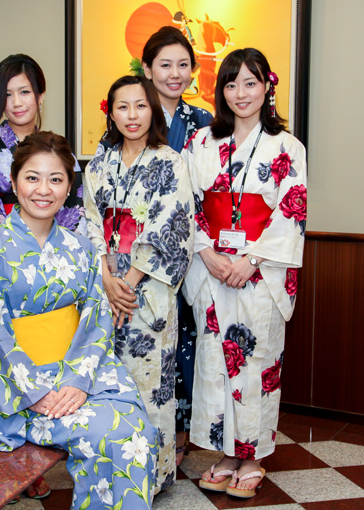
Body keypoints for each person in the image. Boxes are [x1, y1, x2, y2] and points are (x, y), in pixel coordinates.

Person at [0, 131, 158, 510]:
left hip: (82, 373)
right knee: (109, 433)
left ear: (69, 188)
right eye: (32, 177)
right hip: (22, 387)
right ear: (13, 182)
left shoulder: (80, 248)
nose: (43, 190)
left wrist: (79, 380)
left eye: (56, 179)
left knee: (139, 433)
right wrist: (34, 394)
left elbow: (97, 319)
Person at [183, 48, 306, 498]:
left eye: (250, 83)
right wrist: (206, 252)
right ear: (221, 92)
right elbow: (187, 205)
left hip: (261, 270)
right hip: (212, 267)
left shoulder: (287, 147)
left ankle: (253, 455)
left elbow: (291, 212)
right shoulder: (201, 143)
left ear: (267, 87)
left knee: (257, 360)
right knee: (216, 360)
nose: (241, 93)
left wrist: (250, 259)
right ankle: (226, 450)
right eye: (231, 84)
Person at [83, 75, 194, 493]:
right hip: (105, 285)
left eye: (140, 105)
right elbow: (91, 223)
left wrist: (127, 280)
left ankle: (151, 478)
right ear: (109, 112)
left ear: (153, 109)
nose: (132, 115)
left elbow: (174, 227)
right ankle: (108, 471)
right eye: (122, 106)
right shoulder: (99, 164)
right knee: (105, 383)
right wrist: (106, 277)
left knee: (151, 386)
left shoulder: (170, 162)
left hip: (148, 290)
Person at [141, 25, 213, 464]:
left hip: (193, 251)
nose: (174, 74)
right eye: (165, 65)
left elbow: (214, 190)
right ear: (147, 68)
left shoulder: (204, 122)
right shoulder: (133, 114)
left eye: (183, 65)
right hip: (142, 255)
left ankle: (182, 433)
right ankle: (143, 431)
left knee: (189, 340)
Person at [0, 54, 85, 238]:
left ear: (40, 95)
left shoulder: (60, 151)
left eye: (24, 92)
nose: (16, 102)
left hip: (54, 256)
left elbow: (73, 213)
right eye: (7, 94)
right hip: (1, 255)